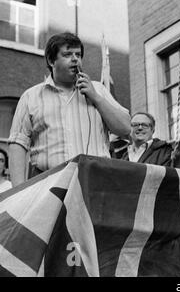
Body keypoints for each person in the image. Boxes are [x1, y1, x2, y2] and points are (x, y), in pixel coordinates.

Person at [8, 32, 131, 187]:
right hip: (49, 186)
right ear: (51, 61)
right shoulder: (30, 97)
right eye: (67, 54)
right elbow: (18, 143)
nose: (75, 59)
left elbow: (126, 129)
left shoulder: (98, 90)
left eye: (78, 55)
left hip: (96, 183)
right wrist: (19, 191)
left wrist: (96, 98)